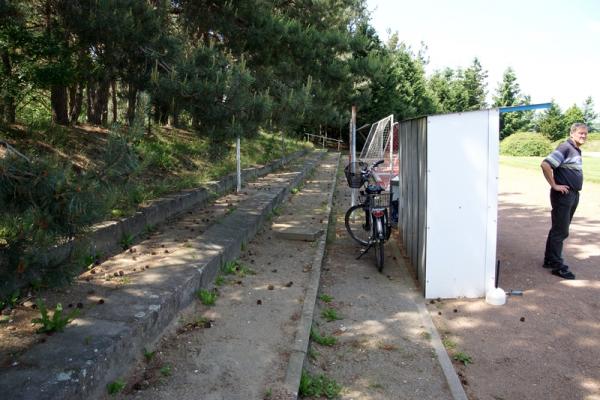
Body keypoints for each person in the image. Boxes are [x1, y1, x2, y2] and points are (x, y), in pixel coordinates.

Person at [541, 122, 588, 279]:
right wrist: (554, 185)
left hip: (572, 194)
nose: (583, 136)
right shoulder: (565, 147)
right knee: (561, 230)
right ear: (572, 133)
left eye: (585, 133)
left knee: (559, 228)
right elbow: (546, 164)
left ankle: (549, 260)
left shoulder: (575, 150)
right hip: (564, 195)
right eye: (581, 133)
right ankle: (557, 265)